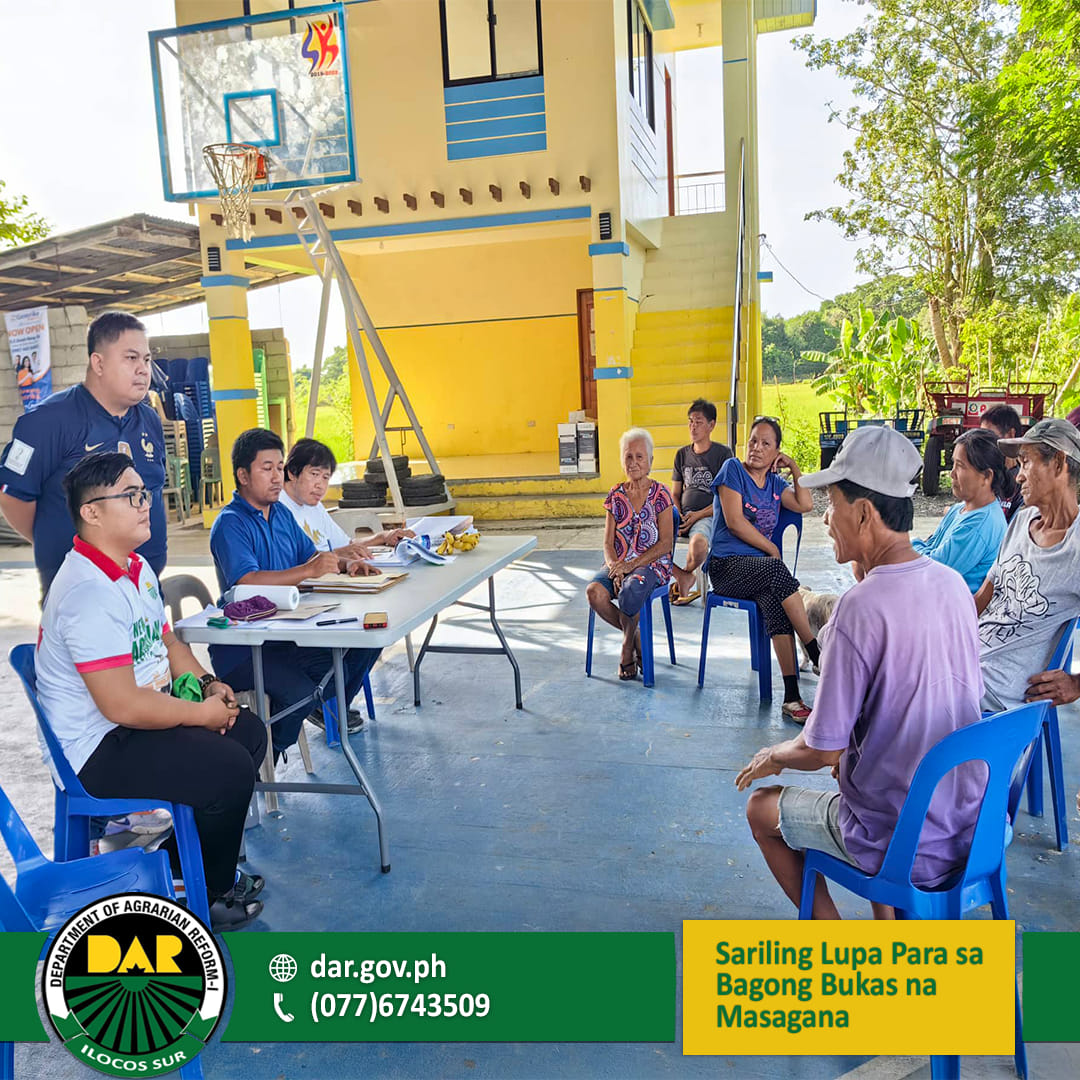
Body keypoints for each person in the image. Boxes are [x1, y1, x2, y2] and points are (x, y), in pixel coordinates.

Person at [735, 426, 986, 917]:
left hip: (900, 839)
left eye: (834, 503)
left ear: (866, 513)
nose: (826, 519)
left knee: (761, 808)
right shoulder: (953, 585)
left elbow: (821, 746)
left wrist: (775, 755)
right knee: (863, 770)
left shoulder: (859, 608)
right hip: (968, 826)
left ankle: (846, 948)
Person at [35, 453, 266, 928]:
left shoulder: (135, 568)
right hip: (96, 748)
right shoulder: (88, 591)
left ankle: (187, 870)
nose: (146, 505)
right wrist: (200, 715)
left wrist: (206, 684)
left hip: (131, 723)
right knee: (227, 768)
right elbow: (123, 705)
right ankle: (210, 893)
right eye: (131, 495)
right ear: (91, 512)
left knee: (247, 732)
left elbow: (164, 642)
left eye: (145, 494)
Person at [209, 428, 381, 751]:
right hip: (247, 647)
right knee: (299, 691)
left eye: (278, 467)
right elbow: (246, 582)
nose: (276, 477)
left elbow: (312, 557)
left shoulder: (281, 515)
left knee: (364, 644)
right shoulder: (231, 523)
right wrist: (308, 571)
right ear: (243, 475)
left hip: (286, 634)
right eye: (266, 468)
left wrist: (345, 565)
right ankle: (259, 758)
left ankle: (317, 707)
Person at [0, 311, 167, 596]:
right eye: (131, 358)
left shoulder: (148, 420)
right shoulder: (49, 421)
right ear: (98, 363)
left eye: (147, 359)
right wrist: (63, 542)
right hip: (81, 597)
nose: (143, 369)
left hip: (144, 591)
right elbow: (13, 497)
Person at [705, 417, 819, 720]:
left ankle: (792, 697)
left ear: (776, 452)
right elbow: (734, 522)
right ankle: (816, 650)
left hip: (760, 572)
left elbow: (805, 504)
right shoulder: (733, 470)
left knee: (775, 605)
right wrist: (770, 548)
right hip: (726, 568)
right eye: (753, 440)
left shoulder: (776, 485)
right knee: (775, 570)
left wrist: (794, 468)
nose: (756, 448)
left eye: (766, 443)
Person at [976, 418, 1080, 713]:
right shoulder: (1022, 519)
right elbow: (985, 595)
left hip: (995, 694)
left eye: (1026, 463)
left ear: (1058, 463)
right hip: (966, 663)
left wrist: (1075, 684)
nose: (1018, 476)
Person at [585, 428, 676, 681]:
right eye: (628, 457)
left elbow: (666, 543)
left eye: (639, 457)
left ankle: (626, 648)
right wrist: (615, 566)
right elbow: (607, 541)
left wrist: (631, 565)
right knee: (594, 592)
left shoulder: (661, 494)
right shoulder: (615, 495)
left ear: (650, 462)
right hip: (619, 564)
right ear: (622, 460)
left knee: (632, 591)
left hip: (651, 565)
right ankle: (635, 637)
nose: (633, 462)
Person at [280, 437, 414, 557]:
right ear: (292, 472)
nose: (320, 485)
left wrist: (384, 536)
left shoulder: (312, 505)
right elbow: (291, 561)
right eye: (314, 474)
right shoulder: (276, 508)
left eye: (326, 477)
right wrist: (337, 555)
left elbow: (346, 545)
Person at [911, 428, 1007, 593]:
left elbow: (931, 570)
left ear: (986, 476)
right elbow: (930, 547)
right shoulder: (960, 509)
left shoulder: (980, 524)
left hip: (951, 609)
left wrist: (910, 544)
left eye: (960, 466)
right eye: (953, 463)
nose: (952, 474)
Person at [668, 399, 732, 605]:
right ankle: (684, 577)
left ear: (711, 425)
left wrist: (698, 515)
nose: (692, 427)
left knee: (698, 545)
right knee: (646, 540)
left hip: (707, 514)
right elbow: (675, 493)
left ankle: (685, 576)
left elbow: (724, 497)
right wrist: (678, 516)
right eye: (690, 422)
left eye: (698, 422)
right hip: (683, 515)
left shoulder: (723, 455)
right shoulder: (681, 455)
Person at [980, 404, 1025, 521]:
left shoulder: (1025, 481)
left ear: (1010, 435)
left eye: (989, 437)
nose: (982, 444)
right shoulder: (982, 476)